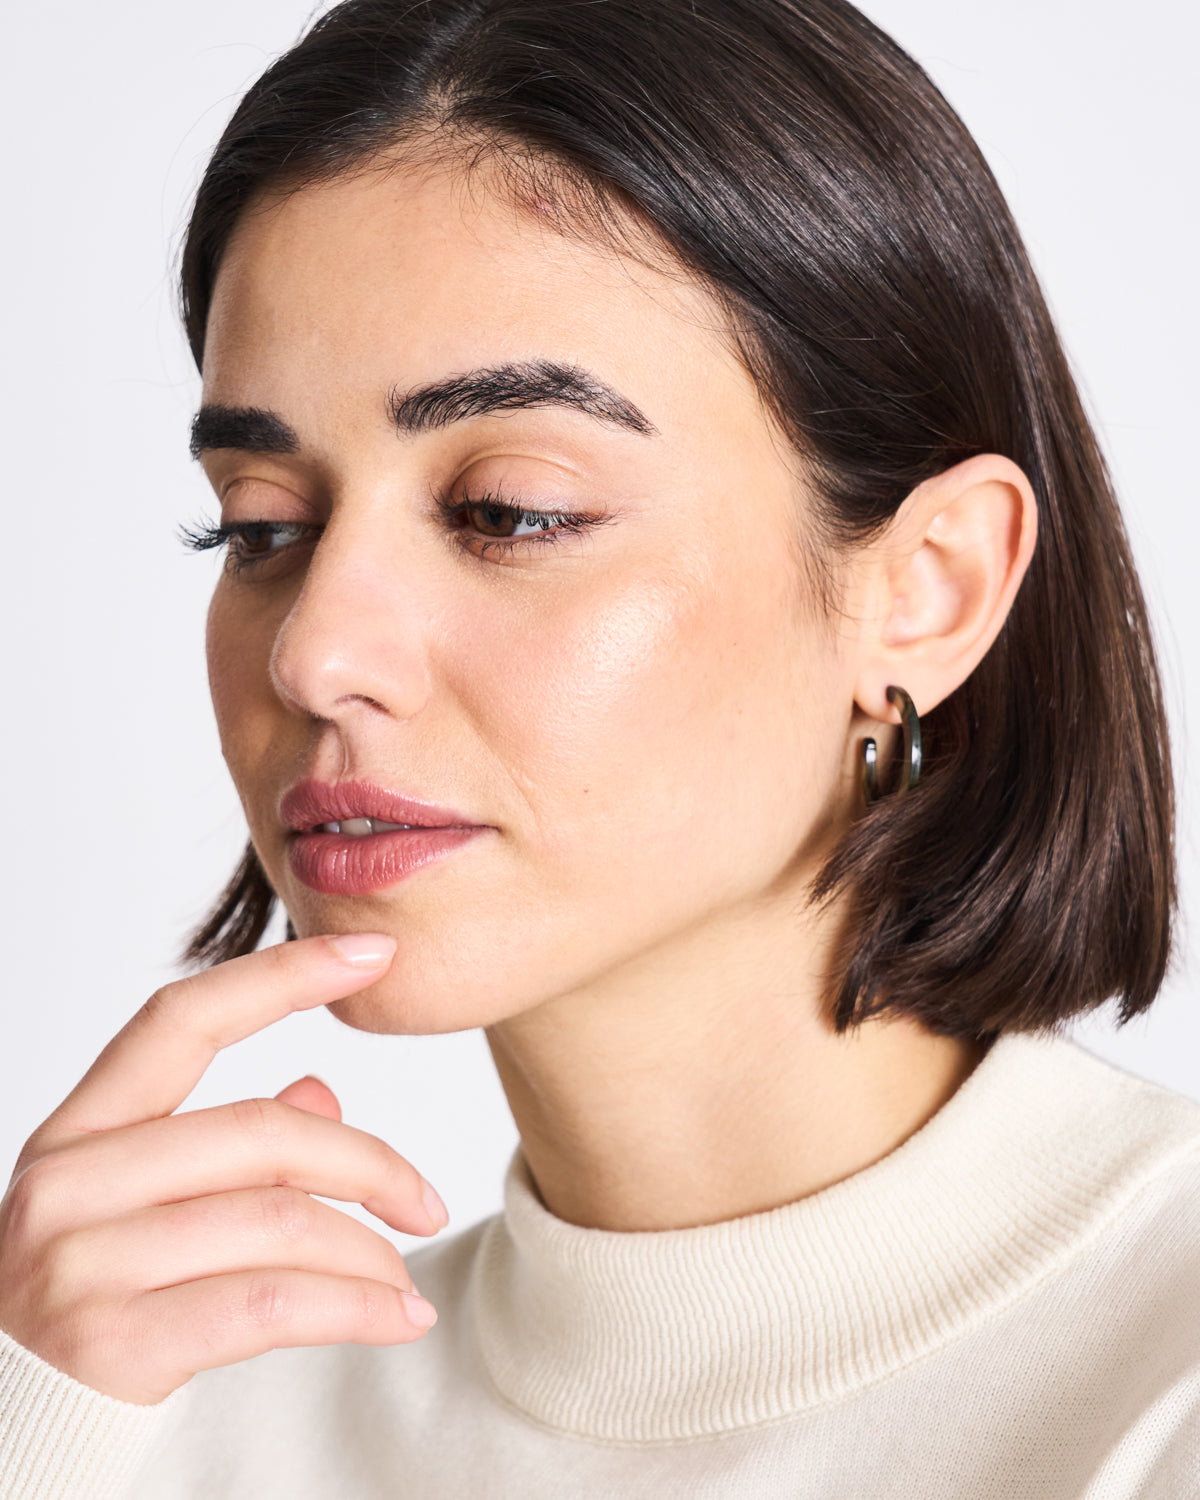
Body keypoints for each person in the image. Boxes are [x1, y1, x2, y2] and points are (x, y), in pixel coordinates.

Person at [1, 0, 1197, 1494]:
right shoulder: (144, 1418)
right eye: (263, 528)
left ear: (927, 585)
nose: (315, 650)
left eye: (509, 510)